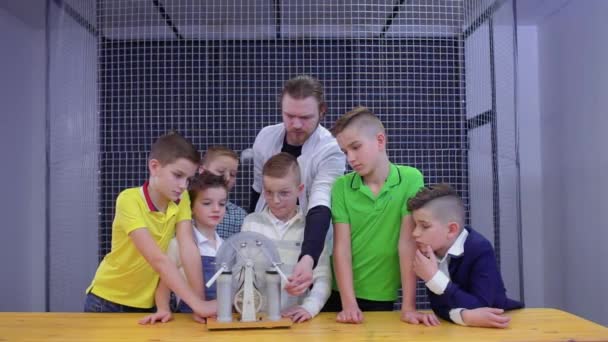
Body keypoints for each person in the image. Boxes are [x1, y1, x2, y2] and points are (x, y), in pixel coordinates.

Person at [84, 131, 216, 323]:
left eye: (188, 179)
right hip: (107, 301)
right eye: (178, 175)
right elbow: (158, 259)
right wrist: (198, 304)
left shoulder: (182, 199)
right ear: (154, 167)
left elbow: (188, 247)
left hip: (146, 306)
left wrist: (199, 304)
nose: (183, 186)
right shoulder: (128, 200)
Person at [326, 106, 439, 326]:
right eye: (344, 151)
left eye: (355, 147)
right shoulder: (341, 187)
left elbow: (407, 243)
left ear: (380, 140)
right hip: (339, 293)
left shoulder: (411, 179)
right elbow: (341, 248)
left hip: (381, 296)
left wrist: (408, 307)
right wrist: (348, 304)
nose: (350, 158)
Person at [249, 75, 345, 295]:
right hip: (266, 233)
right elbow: (257, 190)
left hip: (311, 239)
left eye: (305, 117)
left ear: (322, 110)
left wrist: (308, 256)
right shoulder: (265, 137)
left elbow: (321, 203)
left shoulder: (331, 149)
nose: (296, 124)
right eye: (289, 116)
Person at [407, 183, 523, 328]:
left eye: (424, 226)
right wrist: (464, 316)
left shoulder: (480, 248)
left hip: (507, 325)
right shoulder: (432, 253)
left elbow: (482, 308)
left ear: (451, 230)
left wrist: (434, 278)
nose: (414, 233)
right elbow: (439, 307)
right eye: (415, 225)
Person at [242, 153, 331, 323]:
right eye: (268, 192)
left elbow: (323, 277)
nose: (275, 200)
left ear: (300, 189)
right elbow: (241, 274)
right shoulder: (251, 223)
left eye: (284, 193)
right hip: (257, 320)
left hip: (296, 323)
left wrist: (309, 308)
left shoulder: (311, 230)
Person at [141, 172, 228, 323]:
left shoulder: (228, 248)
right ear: (190, 208)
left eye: (222, 203)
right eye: (207, 203)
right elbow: (163, 288)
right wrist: (163, 309)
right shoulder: (177, 245)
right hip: (187, 322)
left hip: (222, 321)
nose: (216, 209)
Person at [199, 146, 246, 240]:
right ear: (202, 171)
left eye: (233, 174)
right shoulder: (184, 208)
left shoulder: (239, 216)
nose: (227, 178)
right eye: (220, 171)